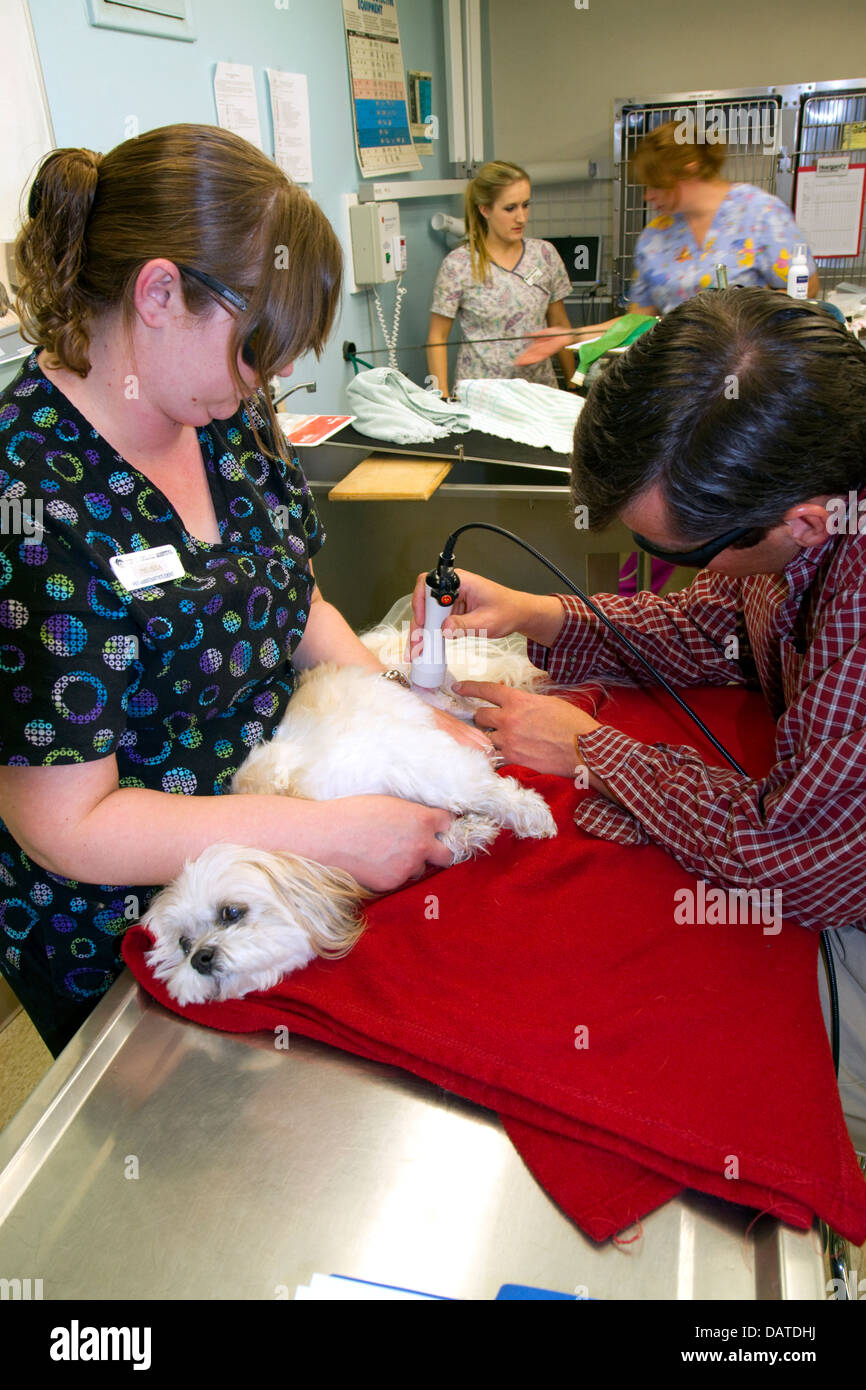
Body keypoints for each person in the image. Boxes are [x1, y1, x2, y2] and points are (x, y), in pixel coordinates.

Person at [0, 124, 486, 1056]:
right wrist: (330, 835)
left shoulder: (225, 411)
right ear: (159, 293)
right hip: (142, 930)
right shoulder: (29, 493)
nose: (279, 376)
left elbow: (297, 606)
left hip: (296, 842)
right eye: (260, 347)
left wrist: (409, 723)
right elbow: (70, 827)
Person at [413, 287, 866, 1146]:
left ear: (803, 522)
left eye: (672, 552)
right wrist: (542, 615)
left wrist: (595, 751)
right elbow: (720, 622)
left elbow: (802, 861)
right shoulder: (802, 509)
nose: (664, 569)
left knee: (794, 1110)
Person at [426, 160, 576, 399]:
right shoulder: (459, 264)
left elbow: (559, 324)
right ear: (485, 209)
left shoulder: (545, 255)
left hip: (539, 394)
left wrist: (573, 383)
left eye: (525, 205)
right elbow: (437, 336)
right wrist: (441, 397)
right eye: (510, 208)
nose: (521, 218)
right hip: (482, 399)